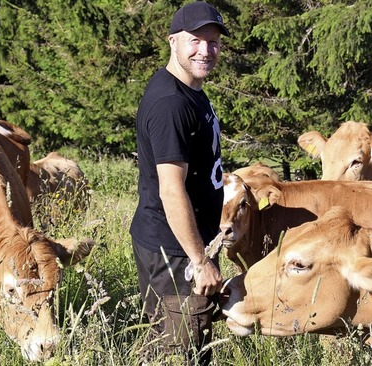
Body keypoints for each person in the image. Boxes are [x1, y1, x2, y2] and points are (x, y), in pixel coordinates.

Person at [129, 1, 229, 364]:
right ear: (173, 41)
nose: (206, 50)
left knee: (191, 345)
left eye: (214, 41)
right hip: (175, 250)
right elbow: (170, 189)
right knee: (176, 351)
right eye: (196, 40)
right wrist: (199, 260)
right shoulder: (170, 103)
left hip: (186, 244)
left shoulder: (189, 90)